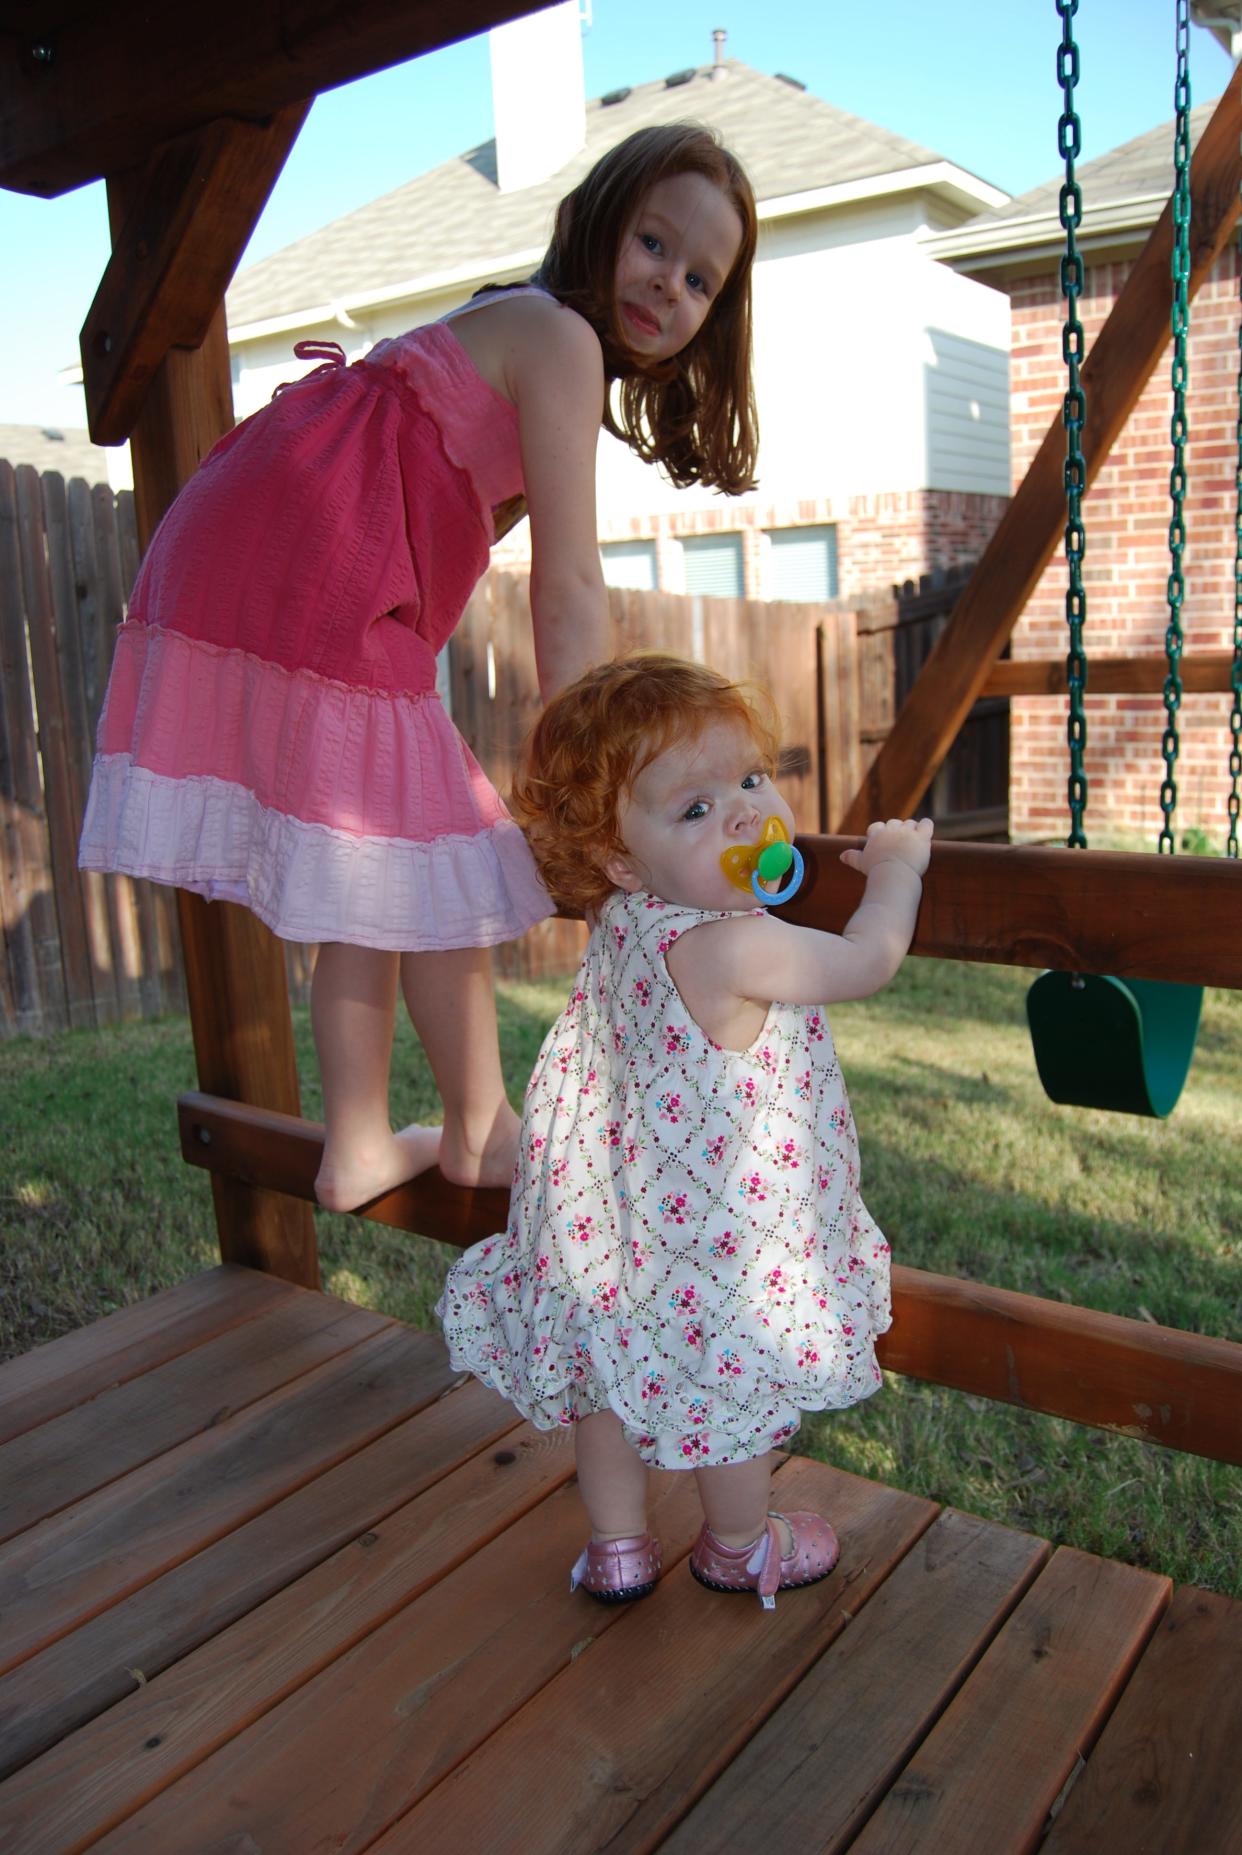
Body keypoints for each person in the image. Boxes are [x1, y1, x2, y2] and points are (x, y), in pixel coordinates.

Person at [78, 124, 760, 1212]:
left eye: (698, 279)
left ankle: (358, 1138)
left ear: (714, 317)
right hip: (310, 571)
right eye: (651, 241)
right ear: (597, 219)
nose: (666, 285)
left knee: (378, 867)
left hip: (255, 548)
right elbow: (569, 585)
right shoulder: (561, 342)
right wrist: (600, 767)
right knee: (437, 853)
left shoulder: (520, 322)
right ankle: (481, 1127)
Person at [436, 655, 933, 1609]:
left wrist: (706, 830)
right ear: (623, 857)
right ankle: (741, 1543)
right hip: (715, 1246)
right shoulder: (738, 943)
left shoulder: (627, 921)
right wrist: (900, 872)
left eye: (751, 778)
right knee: (729, 1383)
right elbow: (869, 958)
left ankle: (618, 1547)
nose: (747, 814)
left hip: (617, 1234)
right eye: (696, 809)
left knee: (608, 1382)